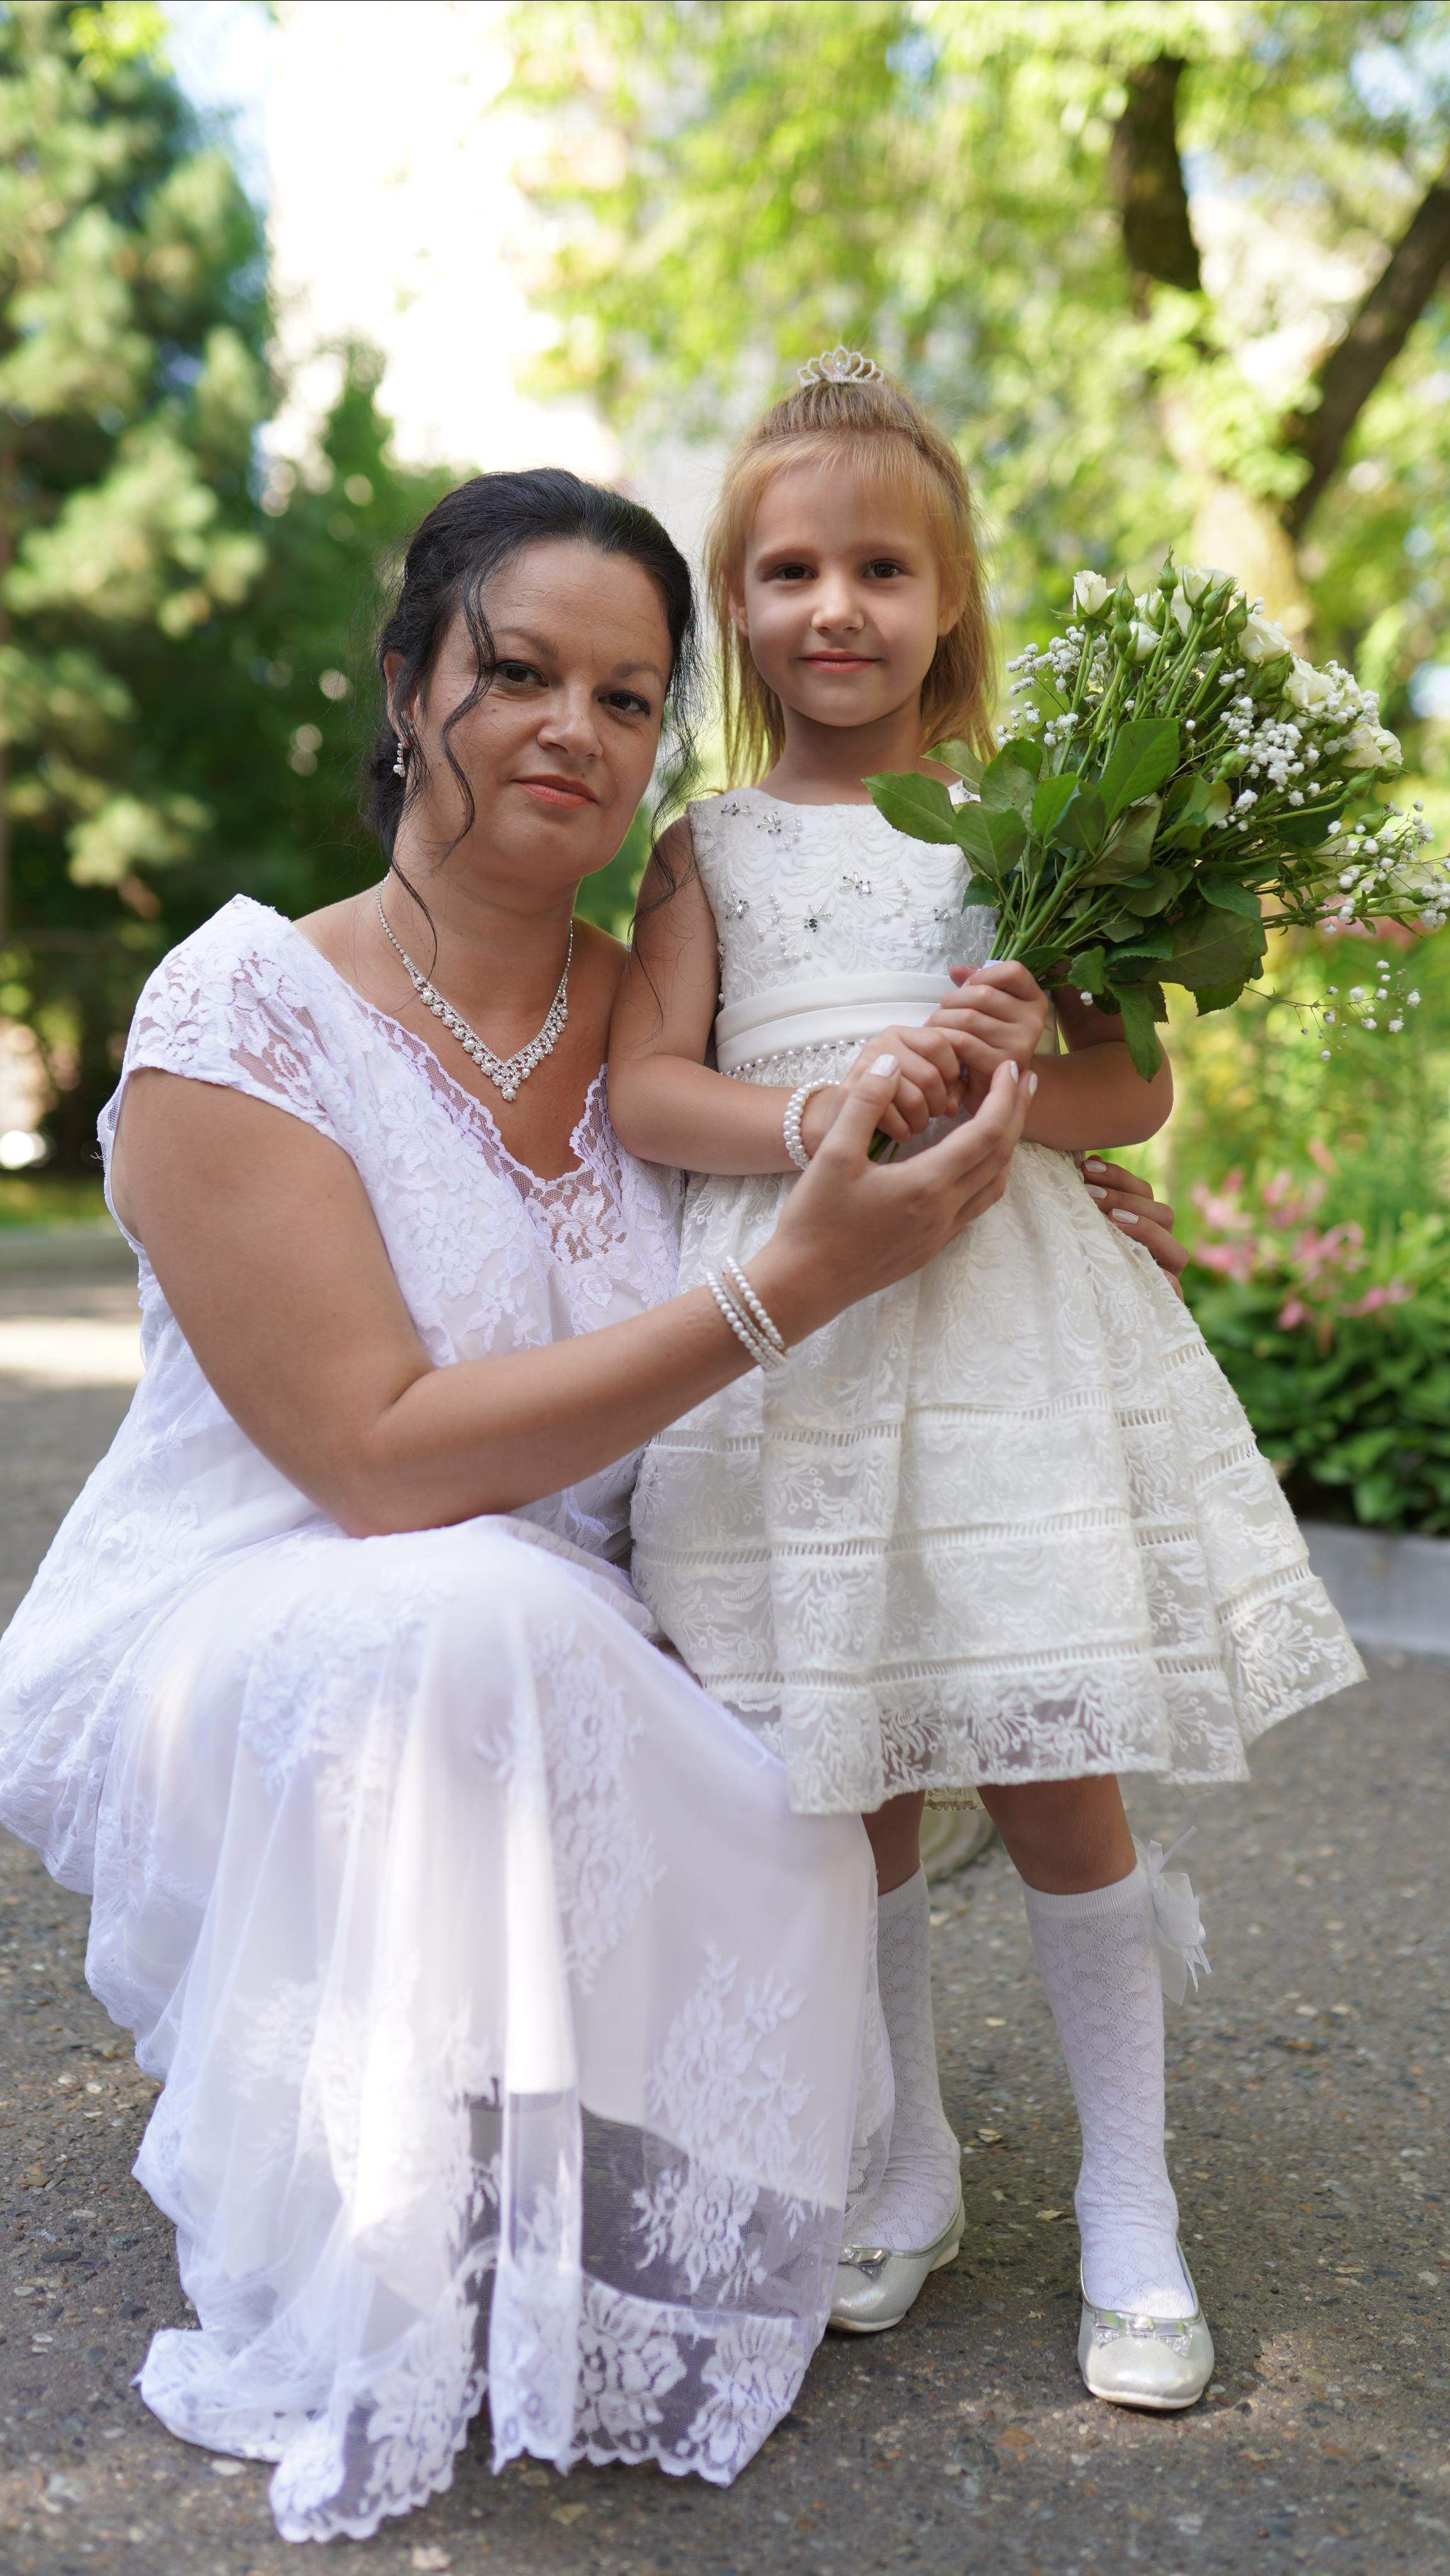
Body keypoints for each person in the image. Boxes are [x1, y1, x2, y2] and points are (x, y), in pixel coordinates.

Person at [0, 470, 1037, 2543]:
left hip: (603, 1636)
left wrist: (1038, 1213)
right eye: (521, 673)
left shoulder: (685, 1031)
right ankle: (390, 2233)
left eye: (633, 696)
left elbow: (889, 1130)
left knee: (677, 1698)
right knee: (458, 1608)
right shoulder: (242, 1012)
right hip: (275, 1616)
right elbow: (377, 1459)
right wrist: (777, 1285)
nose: (577, 727)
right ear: (407, 686)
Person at [610, 358, 1364, 2409]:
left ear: (949, 600)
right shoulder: (711, 849)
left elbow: (1141, 1080)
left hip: (1008, 1336)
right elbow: (647, 1083)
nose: (831, 606)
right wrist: (820, 1114)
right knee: (845, 1781)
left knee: (1050, 1764)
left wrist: (1020, 1058)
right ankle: (903, 2162)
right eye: (785, 571)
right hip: (801, 1338)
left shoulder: (1032, 828)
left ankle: (1132, 2207)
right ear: (735, 606)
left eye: (878, 568)